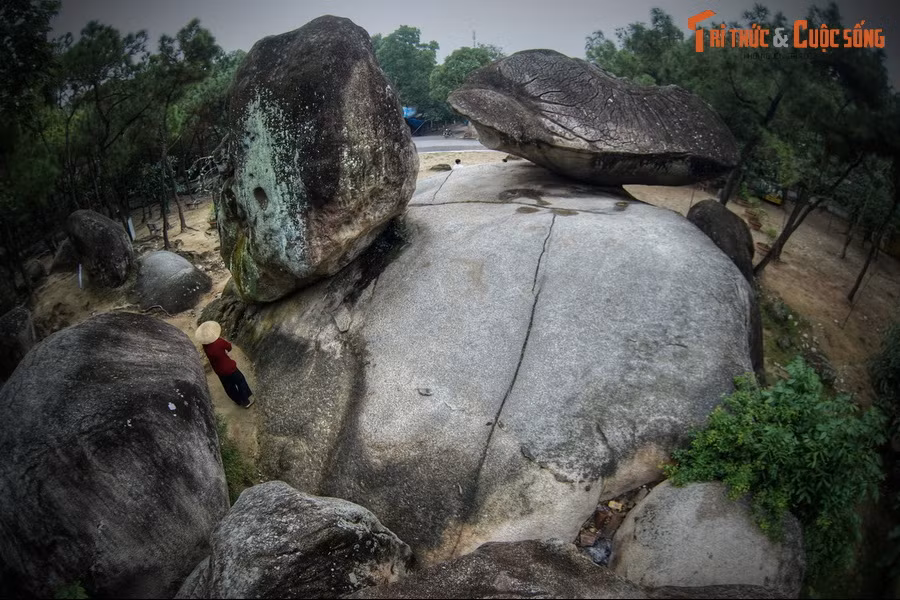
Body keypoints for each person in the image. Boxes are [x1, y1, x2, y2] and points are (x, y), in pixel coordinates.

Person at [195, 321, 254, 408]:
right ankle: (246, 401)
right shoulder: (219, 342)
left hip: (219, 371)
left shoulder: (205, 346)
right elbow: (229, 347)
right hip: (229, 368)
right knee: (240, 381)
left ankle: (238, 400)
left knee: (229, 387)